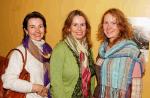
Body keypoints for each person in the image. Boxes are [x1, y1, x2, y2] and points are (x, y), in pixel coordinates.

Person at [94, 8, 145, 98]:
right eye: (106, 23)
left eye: (114, 23)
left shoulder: (131, 52)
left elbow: (136, 89)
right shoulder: (102, 49)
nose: (109, 27)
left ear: (121, 26)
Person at [2, 11, 52, 98]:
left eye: (40, 26)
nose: (37, 30)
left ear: (45, 28)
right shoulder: (20, 52)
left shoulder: (48, 50)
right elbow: (8, 81)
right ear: (26, 30)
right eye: (32, 27)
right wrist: (34, 87)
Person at [50, 9, 95, 98]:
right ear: (68, 28)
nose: (79, 28)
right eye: (75, 25)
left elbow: (91, 78)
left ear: (86, 28)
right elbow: (56, 82)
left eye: (82, 25)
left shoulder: (87, 50)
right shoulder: (60, 49)